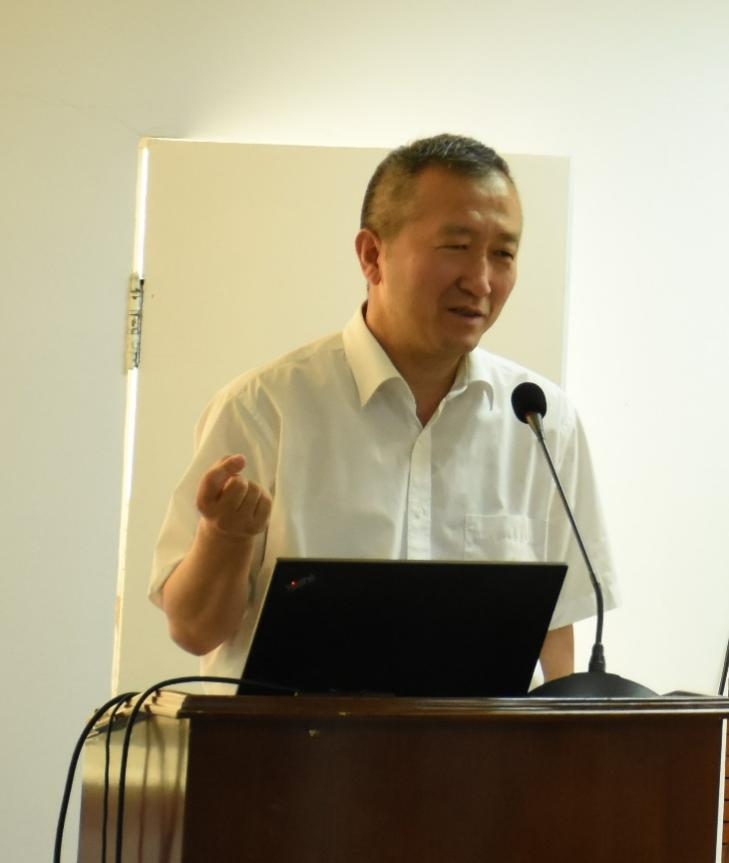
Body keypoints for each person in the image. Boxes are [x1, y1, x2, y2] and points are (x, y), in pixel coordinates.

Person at [150, 133, 618, 689]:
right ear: (373, 255)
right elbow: (194, 630)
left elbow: (556, 631)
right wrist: (223, 538)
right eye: (456, 246)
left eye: (503, 254)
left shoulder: (541, 421)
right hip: (295, 744)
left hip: (479, 746)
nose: (481, 281)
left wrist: (568, 730)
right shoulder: (264, 409)